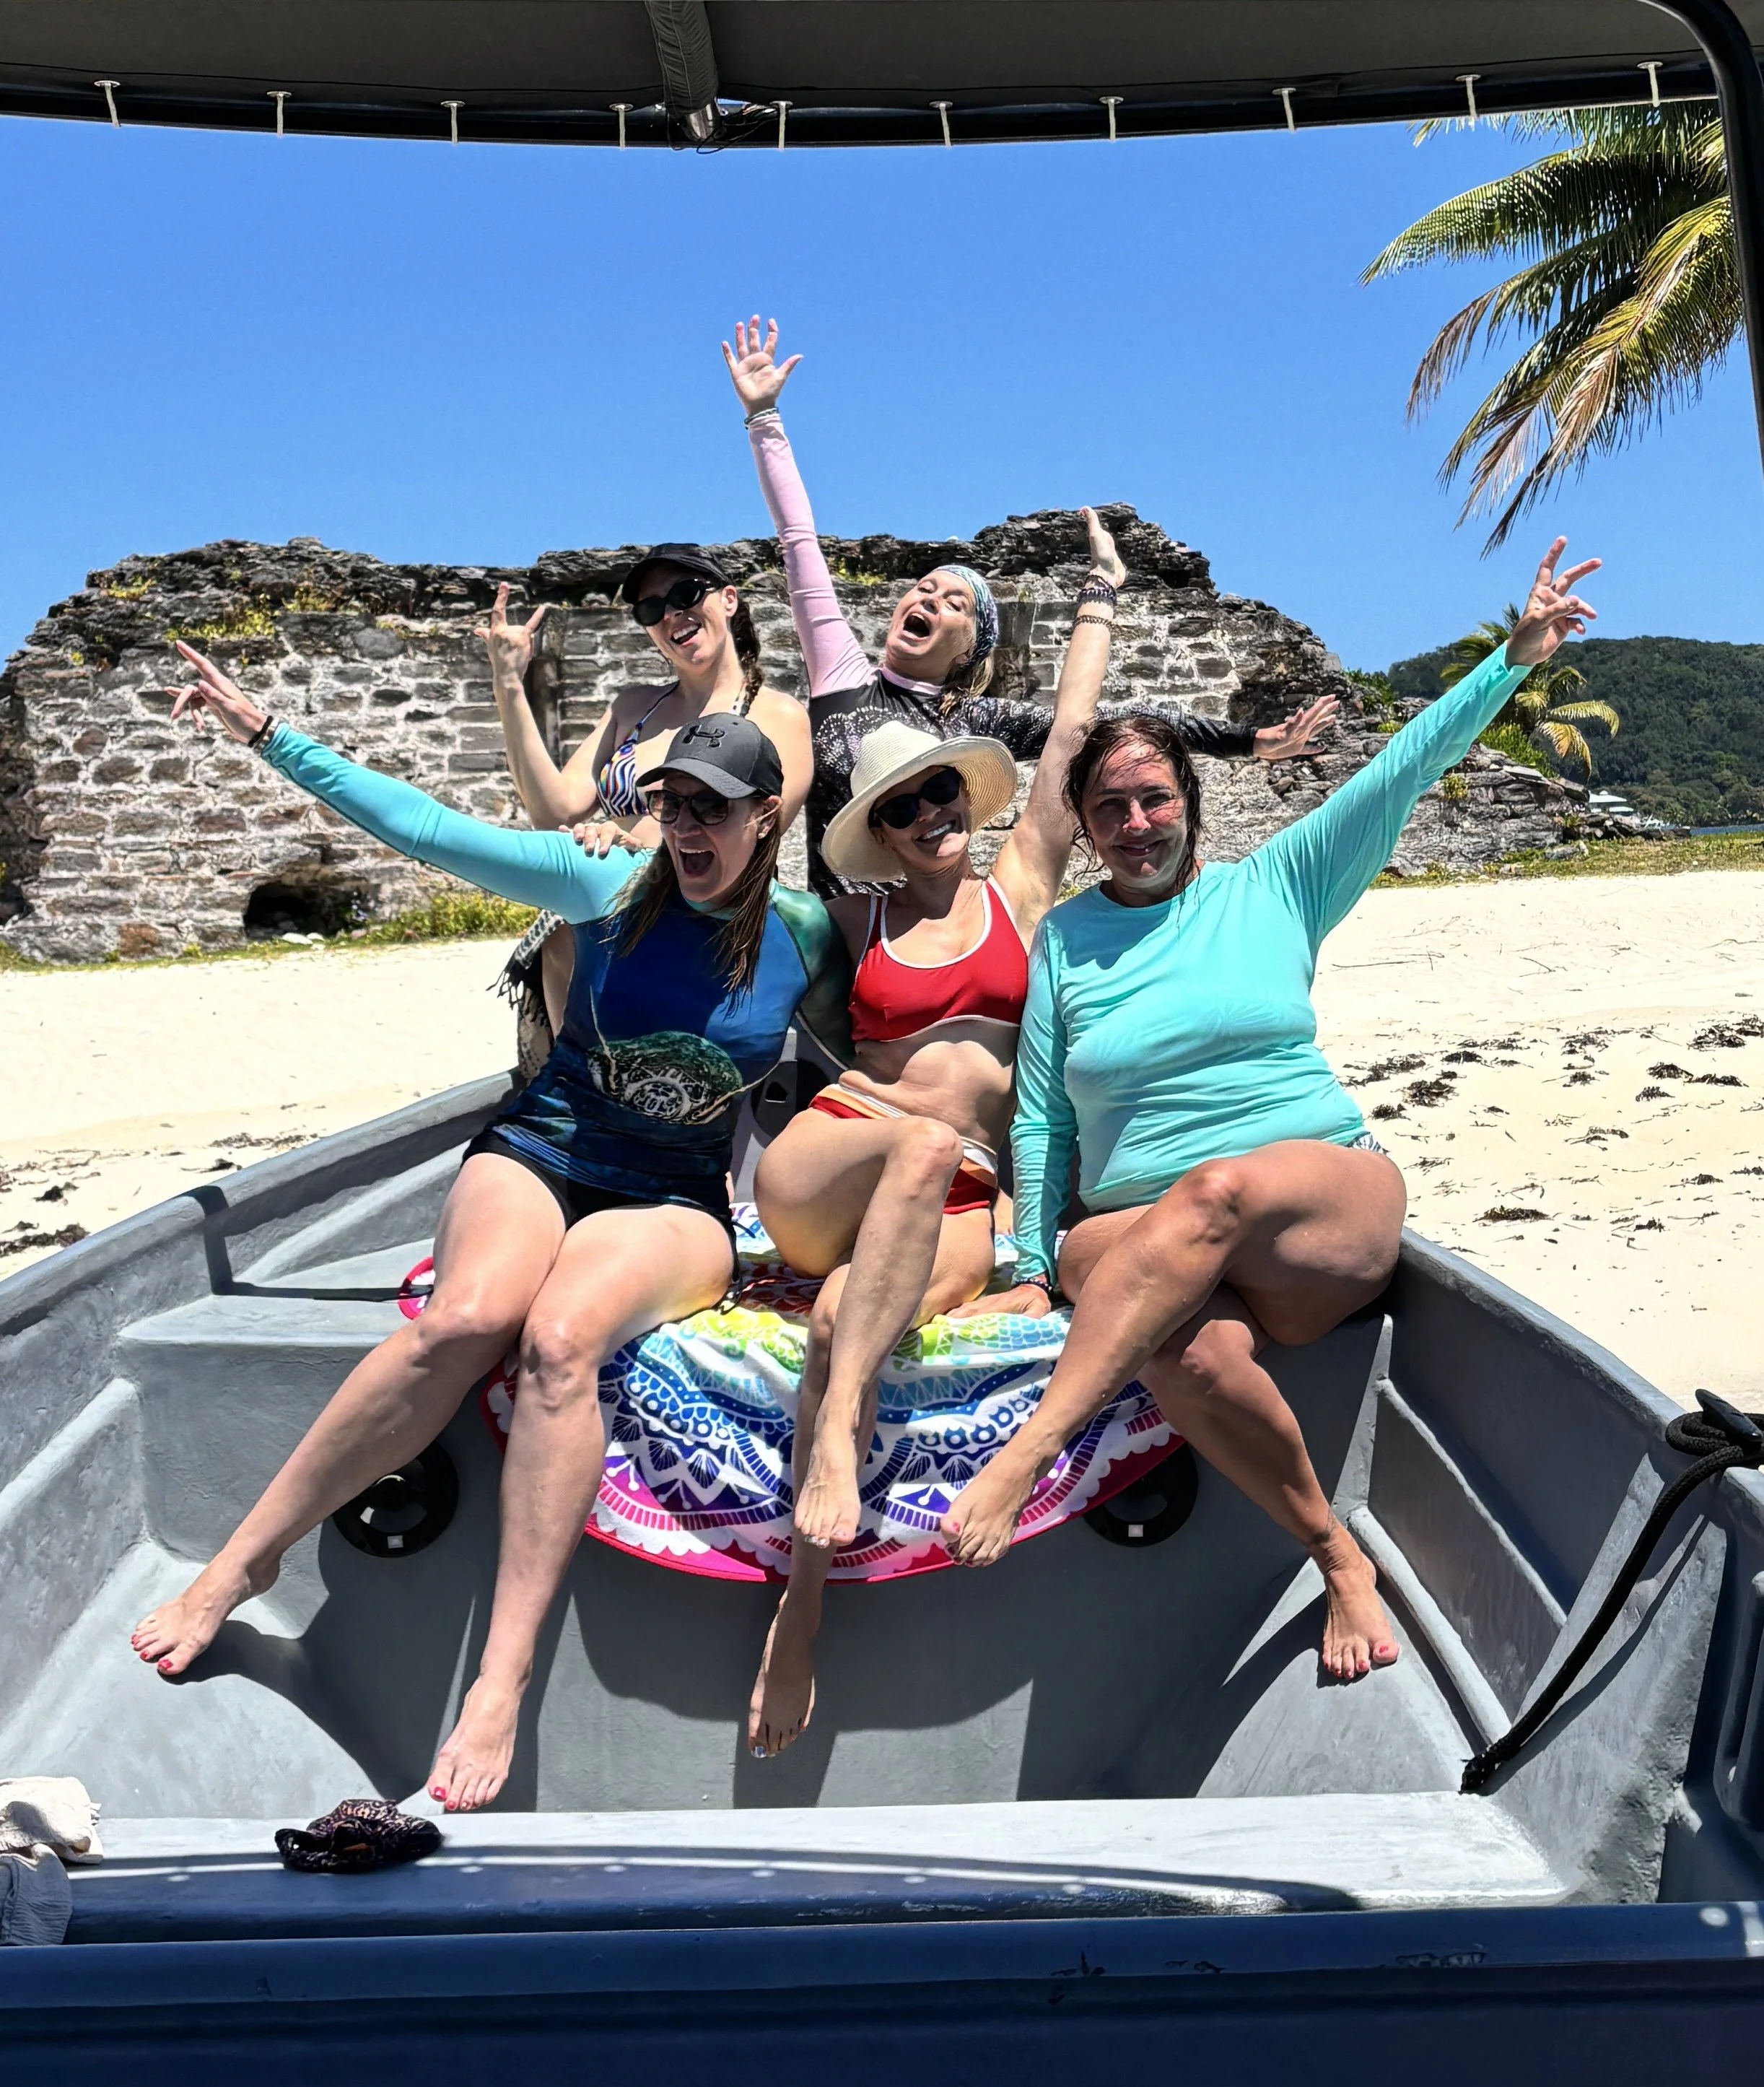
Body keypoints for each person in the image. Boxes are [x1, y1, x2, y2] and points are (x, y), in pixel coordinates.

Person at [130, 646, 850, 1812]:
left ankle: (498, 1678)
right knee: (466, 1314)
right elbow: (424, 829)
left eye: (711, 810)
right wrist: (267, 730)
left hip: (672, 1195)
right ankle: (245, 1556)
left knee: (560, 1337)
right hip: (546, 1145)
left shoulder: (808, 938)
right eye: (670, 804)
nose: (685, 829)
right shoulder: (601, 883)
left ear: (766, 815)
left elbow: (893, 1052)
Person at [937, 540, 1602, 1684]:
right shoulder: (1069, 940)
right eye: (1111, 809)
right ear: (1087, 829)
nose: (1137, 821)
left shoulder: (1275, 883)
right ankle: (1337, 1551)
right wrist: (1038, 1257)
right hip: (1142, 1230)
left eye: (1154, 798)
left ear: (1189, 803)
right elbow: (1042, 1112)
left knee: (1220, 1188)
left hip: (1308, 1202)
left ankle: (1033, 1448)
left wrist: (1513, 656)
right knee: (1179, 1346)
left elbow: (1398, 770)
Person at [747, 510, 1281, 1760]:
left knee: (842, 1319)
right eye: (903, 803)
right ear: (873, 828)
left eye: (942, 790)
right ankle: (831, 1446)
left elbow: (1067, 755)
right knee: (921, 1140)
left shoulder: (1016, 888)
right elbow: (726, 896)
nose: (930, 810)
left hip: (955, 1192)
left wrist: (1096, 600)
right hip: (833, 1154)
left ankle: (799, 1607)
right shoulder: (853, 920)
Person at [721, 315, 1341, 897]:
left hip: (940, 941)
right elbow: (798, 542)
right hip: (838, 945)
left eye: (954, 600)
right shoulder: (841, 678)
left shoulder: (980, 723)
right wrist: (763, 416)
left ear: (971, 646)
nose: (928, 597)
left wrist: (1248, 741)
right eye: (923, 588)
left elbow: (1112, 717)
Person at [480, 545, 813, 1047]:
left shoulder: (775, 716)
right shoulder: (633, 707)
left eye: (685, 594)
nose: (672, 614)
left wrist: (628, 837)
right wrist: (508, 682)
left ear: (728, 600)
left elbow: (755, 828)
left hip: (707, 918)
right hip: (600, 920)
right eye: (652, 609)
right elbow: (554, 808)